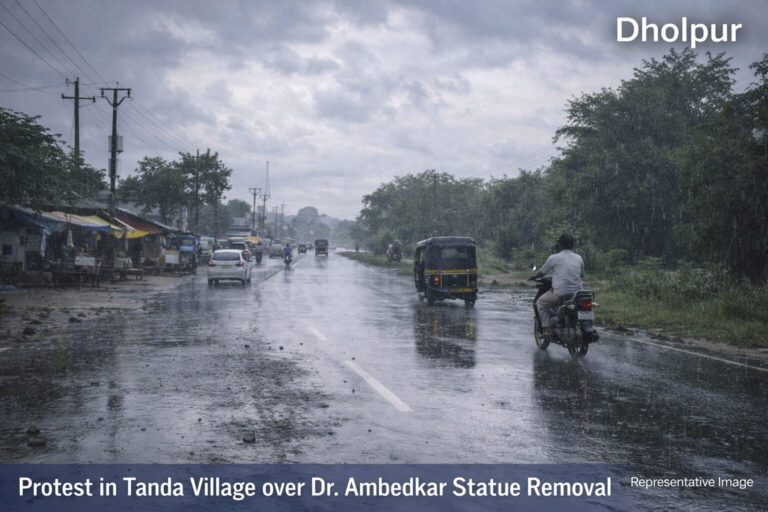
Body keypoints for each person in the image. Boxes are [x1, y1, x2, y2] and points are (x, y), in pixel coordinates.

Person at [529, 233, 584, 335]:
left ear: (560, 244)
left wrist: (534, 277)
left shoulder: (554, 258)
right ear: (573, 244)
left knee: (540, 303)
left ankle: (546, 329)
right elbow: (582, 275)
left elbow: (541, 272)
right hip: (578, 294)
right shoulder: (579, 258)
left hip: (560, 293)